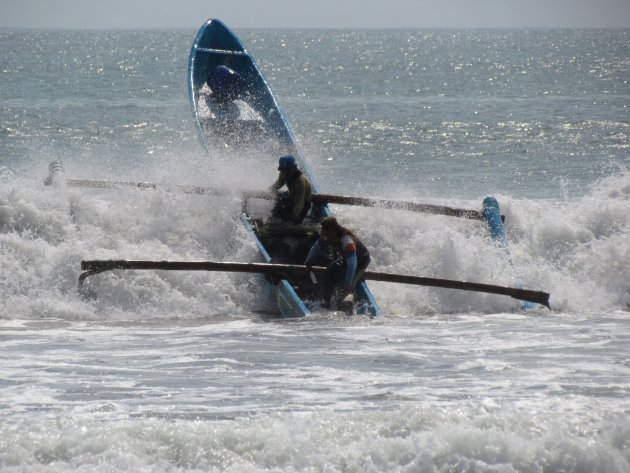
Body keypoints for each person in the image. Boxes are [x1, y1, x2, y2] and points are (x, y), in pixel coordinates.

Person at [304, 216, 371, 307]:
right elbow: (316, 248)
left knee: (347, 285)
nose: (324, 235)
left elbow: (352, 265)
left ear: (333, 231)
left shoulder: (347, 241)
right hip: (345, 258)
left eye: (326, 233)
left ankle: (350, 303)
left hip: (360, 261)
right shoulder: (327, 236)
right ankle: (326, 301)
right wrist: (308, 261)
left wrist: (347, 282)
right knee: (327, 274)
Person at [269, 155, 312, 224]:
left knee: (293, 221)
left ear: (294, 168)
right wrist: (270, 190)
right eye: (283, 170)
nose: (285, 173)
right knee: (277, 207)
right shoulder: (283, 173)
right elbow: (279, 183)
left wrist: (293, 217)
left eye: (288, 170)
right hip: (291, 196)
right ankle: (274, 220)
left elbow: (299, 203)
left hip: (303, 203)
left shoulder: (300, 182)